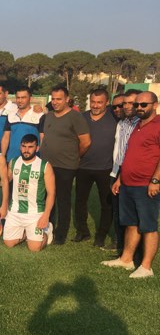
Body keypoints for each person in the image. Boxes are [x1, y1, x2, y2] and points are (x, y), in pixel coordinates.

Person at [103, 91, 160, 278]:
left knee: (148, 226)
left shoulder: (158, 125)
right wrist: (120, 178)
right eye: (137, 105)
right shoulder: (137, 125)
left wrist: (155, 180)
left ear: (155, 105)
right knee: (131, 223)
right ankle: (126, 259)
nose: (139, 108)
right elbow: (129, 154)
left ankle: (146, 267)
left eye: (143, 105)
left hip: (146, 184)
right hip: (128, 183)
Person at [38, 86, 91, 244]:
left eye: (59, 99)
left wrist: (75, 155)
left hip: (65, 166)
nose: (55, 102)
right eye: (53, 99)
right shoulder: (48, 116)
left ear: (67, 99)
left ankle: (61, 234)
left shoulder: (75, 117)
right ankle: (47, 228)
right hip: (47, 165)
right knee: (47, 197)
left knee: (62, 200)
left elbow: (86, 142)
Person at [74, 89, 116, 246]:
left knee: (106, 204)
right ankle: (82, 232)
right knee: (80, 201)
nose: (95, 105)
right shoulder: (81, 117)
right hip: (83, 167)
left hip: (106, 168)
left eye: (99, 102)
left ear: (107, 102)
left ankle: (101, 235)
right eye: (93, 102)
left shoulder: (114, 117)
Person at [4, 134, 56, 251]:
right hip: (15, 211)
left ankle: (47, 230)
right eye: (24, 146)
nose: (26, 150)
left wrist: (46, 215)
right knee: (9, 243)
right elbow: (5, 182)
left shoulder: (45, 166)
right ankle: (27, 233)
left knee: (34, 248)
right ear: (20, 147)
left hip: (35, 212)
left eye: (30, 147)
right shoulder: (13, 162)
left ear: (37, 148)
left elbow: (51, 193)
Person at [110, 91, 140, 256]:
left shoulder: (140, 124)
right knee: (118, 210)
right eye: (122, 104)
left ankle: (134, 250)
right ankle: (120, 244)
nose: (123, 107)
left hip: (131, 173)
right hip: (116, 171)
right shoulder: (121, 123)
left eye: (129, 103)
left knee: (133, 214)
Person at [1, 86, 43, 162]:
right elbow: (6, 138)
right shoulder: (10, 115)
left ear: (30, 98)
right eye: (18, 97)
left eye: (23, 98)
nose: (20, 100)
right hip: (11, 160)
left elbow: (42, 139)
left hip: (32, 161)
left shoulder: (39, 115)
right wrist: (2, 157)